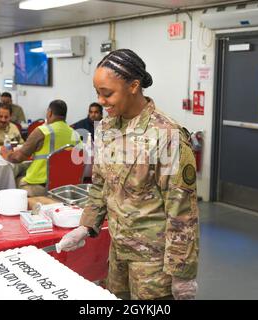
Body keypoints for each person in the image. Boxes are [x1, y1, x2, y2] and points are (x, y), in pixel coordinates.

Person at [55, 49, 199, 300]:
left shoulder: (167, 136)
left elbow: (182, 212)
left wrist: (182, 272)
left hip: (154, 263)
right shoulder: (107, 128)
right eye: (97, 93)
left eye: (107, 93)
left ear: (134, 86)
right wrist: (86, 225)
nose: (100, 100)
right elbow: (100, 184)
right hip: (118, 251)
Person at [1, 99, 80, 197]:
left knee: (12, 180)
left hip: (39, 186)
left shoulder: (42, 131)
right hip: (65, 188)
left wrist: (7, 155)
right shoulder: (75, 134)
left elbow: (18, 158)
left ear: (49, 113)